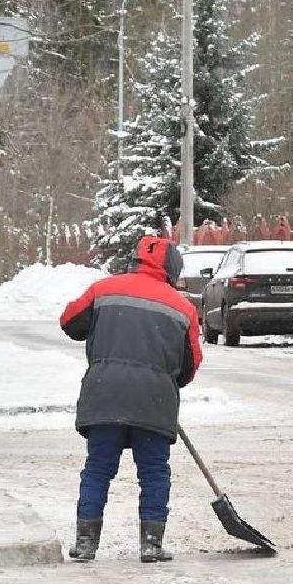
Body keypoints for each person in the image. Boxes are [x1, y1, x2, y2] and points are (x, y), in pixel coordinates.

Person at [59, 235, 203, 563]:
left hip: (104, 394)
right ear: (172, 268)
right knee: (153, 472)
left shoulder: (103, 290)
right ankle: (151, 544)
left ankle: (85, 543)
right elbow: (190, 364)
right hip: (153, 400)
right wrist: (165, 380)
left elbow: (69, 322)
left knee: (97, 468)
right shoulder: (183, 308)